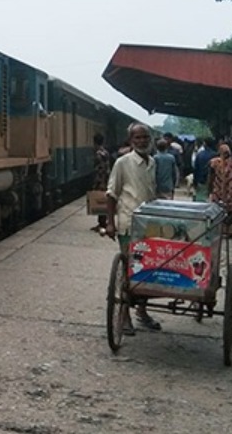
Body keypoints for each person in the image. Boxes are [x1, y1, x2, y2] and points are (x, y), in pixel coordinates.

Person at [105, 122, 160, 334]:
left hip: (149, 224)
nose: (142, 141)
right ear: (130, 141)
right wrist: (110, 222)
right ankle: (124, 314)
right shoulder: (122, 163)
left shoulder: (152, 162)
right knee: (129, 270)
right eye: (137, 138)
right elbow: (112, 194)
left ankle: (142, 311)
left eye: (145, 137)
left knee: (147, 271)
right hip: (128, 224)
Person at [209, 143, 232, 236]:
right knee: (222, 209)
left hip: (227, 189)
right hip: (224, 189)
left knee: (228, 210)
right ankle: (225, 230)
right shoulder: (217, 162)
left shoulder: (218, 162)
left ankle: (228, 230)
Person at [91, 133, 113, 233]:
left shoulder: (98, 154)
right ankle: (103, 222)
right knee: (103, 201)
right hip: (106, 178)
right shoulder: (105, 152)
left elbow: (101, 169)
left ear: (95, 142)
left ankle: (102, 223)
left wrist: (100, 181)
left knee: (100, 201)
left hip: (101, 179)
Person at [192, 138, 217, 202]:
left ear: (205, 144)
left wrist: (195, 181)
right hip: (212, 181)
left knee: (200, 198)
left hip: (201, 180)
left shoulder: (199, 154)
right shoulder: (215, 155)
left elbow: (196, 169)